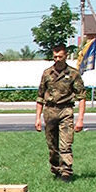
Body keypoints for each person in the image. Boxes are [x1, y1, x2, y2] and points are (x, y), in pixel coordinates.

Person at [35, 44, 86, 183]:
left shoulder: (73, 74)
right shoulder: (47, 73)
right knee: (52, 146)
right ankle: (56, 170)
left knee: (66, 144)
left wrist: (80, 119)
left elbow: (81, 97)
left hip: (66, 111)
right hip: (50, 111)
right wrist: (37, 118)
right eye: (55, 56)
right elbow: (40, 97)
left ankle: (66, 173)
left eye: (60, 56)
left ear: (66, 56)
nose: (57, 59)